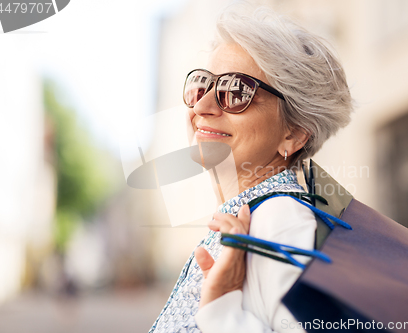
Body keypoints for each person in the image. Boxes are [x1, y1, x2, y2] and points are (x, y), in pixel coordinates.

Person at [148, 5, 353, 333]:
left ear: (294, 132)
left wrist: (221, 312)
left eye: (236, 91)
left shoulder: (280, 223)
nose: (201, 106)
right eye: (202, 85)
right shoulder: (247, 221)